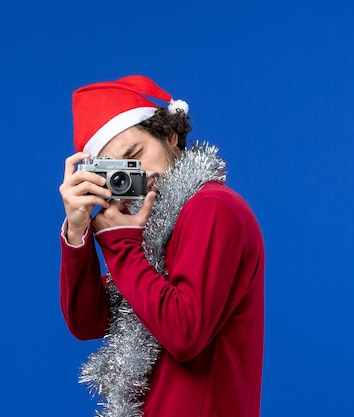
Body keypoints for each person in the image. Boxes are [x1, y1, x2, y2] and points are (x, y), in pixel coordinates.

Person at [59, 75, 265, 417]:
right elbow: (87, 321)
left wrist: (121, 247)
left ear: (170, 135)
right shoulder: (152, 234)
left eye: (136, 153)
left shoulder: (211, 207)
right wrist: (79, 231)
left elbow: (185, 332)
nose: (134, 172)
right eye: (118, 169)